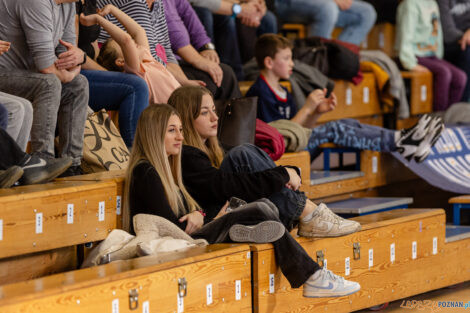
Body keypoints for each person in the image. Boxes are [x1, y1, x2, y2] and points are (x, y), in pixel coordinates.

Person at [125, 103, 361, 298]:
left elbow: (191, 213)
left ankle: (248, 231)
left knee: (265, 207)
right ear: (154, 133)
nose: (180, 137)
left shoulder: (167, 168)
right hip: (183, 242)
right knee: (259, 207)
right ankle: (313, 276)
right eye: (171, 131)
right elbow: (171, 230)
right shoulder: (145, 172)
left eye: (180, 130)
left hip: (193, 234)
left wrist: (204, 215)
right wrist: (202, 216)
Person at [168, 85, 361, 238]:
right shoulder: (186, 156)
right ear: (186, 118)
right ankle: (310, 214)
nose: (214, 117)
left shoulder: (216, 148)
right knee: (242, 153)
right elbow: (226, 185)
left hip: (245, 213)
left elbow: (252, 177)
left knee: (245, 153)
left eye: (213, 109)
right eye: (204, 113)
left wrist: (287, 171)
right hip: (216, 222)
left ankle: (310, 214)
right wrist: (283, 174)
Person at [247, 34, 445, 163]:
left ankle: (402, 140)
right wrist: (307, 108)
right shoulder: (260, 92)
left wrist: (316, 113)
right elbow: (280, 137)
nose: (292, 63)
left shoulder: (283, 89)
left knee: (346, 122)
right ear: (269, 62)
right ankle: (401, 141)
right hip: (277, 154)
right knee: (335, 129)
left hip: (294, 144)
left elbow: (298, 130)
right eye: (286, 58)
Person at [0, 0, 89, 176]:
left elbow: (69, 52)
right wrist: (71, 72)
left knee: (79, 84)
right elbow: (46, 65)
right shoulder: (35, 2)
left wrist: (80, 58)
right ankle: (42, 159)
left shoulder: (68, 4)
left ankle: (72, 164)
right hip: (5, 74)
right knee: (49, 83)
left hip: (30, 76)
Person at [96, 0, 240, 102]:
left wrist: (184, 81)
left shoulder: (157, 3)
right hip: (135, 70)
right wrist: (179, 84)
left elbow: (164, 50)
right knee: (214, 85)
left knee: (222, 77)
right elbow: (136, 45)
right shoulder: (135, 3)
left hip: (156, 67)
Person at [72, 0, 149, 148]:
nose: (135, 44)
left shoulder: (89, 2)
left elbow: (92, 43)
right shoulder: (69, 3)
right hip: (75, 71)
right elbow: (74, 55)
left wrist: (109, 73)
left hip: (91, 67)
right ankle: (136, 157)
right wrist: (111, 76)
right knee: (135, 86)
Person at [80, 4, 181, 103]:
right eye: (123, 47)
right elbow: (126, 40)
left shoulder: (147, 59)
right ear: (121, 61)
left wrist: (112, 9)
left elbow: (139, 31)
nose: (133, 43)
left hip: (183, 99)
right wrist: (98, 20)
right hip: (174, 111)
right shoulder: (137, 71)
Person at [396, 0, 467, 111]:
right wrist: (410, 63)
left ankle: (449, 115)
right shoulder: (410, 5)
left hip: (431, 55)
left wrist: (439, 56)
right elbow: (405, 37)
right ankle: (438, 116)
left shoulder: (432, 4)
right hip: (415, 55)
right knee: (444, 73)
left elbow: (437, 35)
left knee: (460, 77)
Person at [162, 0, 240, 98]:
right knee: (213, 82)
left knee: (225, 74)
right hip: (164, 63)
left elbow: (188, 14)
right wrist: (198, 60)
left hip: (176, 59)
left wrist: (205, 46)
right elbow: (174, 35)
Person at [191, 0, 277, 79]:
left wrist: (258, 6)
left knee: (269, 19)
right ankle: (232, 75)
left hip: (235, 4)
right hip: (210, 6)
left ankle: (268, 73)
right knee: (221, 17)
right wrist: (240, 8)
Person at [274, 0, 377, 45]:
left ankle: (338, 57)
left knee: (366, 13)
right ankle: (317, 63)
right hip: (286, 3)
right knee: (328, 8)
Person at [437, 0, 470, 102]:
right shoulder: (442, 2)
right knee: (468, 52)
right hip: (449, 46)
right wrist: (466, 37)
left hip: (466, 41)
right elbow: (448, 34)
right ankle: (461, 110)